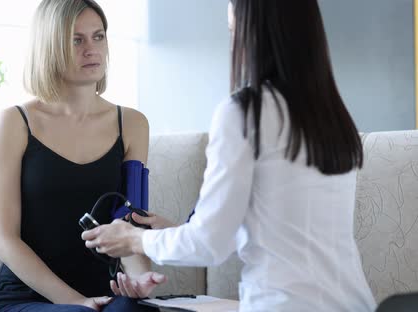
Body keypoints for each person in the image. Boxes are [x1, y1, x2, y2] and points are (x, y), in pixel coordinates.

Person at [82, 0, 377, 311]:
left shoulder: (246, 112)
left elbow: (210, 245)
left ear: (254, 35)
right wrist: (180, 233)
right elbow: (282, 231)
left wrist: (133, 239)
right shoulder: (333, 116)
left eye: (233, 30)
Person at [0, 0, 165, 311]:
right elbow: (4, 240)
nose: (91, 49)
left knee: (136, 309)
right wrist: (77, 302)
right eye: (76, 39)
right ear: (49, 47)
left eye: (98, 36)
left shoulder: (133, 124)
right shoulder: (15, 122)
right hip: (27, 299)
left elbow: (129, 225)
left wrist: (140, 280)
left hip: (103, 294)